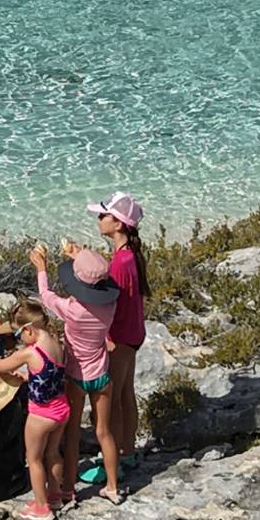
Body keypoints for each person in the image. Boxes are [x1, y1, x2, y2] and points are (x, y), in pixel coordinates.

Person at [33, 240, 124, 503]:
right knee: (103, 431)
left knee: (72, 434)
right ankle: (113, 487)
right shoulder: (109, 306)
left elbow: (45, 294)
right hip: (102, 375)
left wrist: (42, 267)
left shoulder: (72, 310)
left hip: (76, 377)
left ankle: (69, 488)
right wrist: (78, 255)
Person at [0, 300, 69, 520]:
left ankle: (41, 507)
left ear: (28, 329)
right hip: (61, 409)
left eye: (19, 334)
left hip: (41, 415)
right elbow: (50, 374)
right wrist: (30, 378)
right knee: (53, 454)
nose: (20, 340)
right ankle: (55, 495)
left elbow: (3, 366)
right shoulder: (55, 343)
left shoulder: (31, 352)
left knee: (34, 458)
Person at [82, 192, 149, 487]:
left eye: (104, 215)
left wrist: (105, 336)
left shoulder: (120, 263)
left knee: (113, 401)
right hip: (133, 333)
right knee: (126, 393)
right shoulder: (130, 256)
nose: (99, 219)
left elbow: (112, 304)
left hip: (119, 337)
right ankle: (128, 450)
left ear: (119, 223)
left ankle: (116, 460)